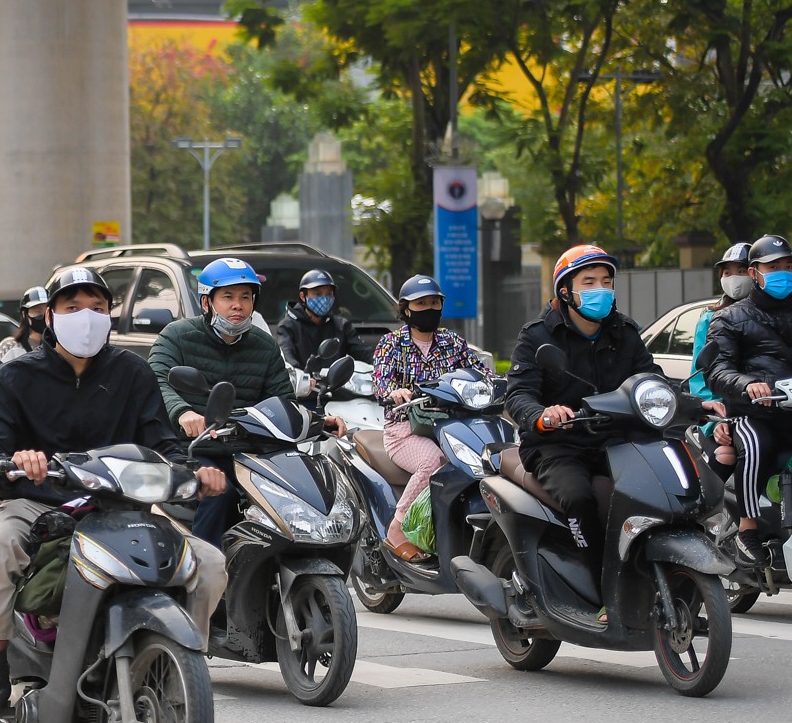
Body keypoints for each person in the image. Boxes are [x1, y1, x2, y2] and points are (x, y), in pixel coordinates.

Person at [0, 266, 228, 713]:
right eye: (72, 307)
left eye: (97, 307)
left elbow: (161, 441)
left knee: (209, 562)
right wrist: (14, 464)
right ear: (49, 317)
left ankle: (179, 664)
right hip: (36, 501)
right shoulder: (15, 378)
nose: (85, 316)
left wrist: (194, 472)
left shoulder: (133, 373)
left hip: (120, 505)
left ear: (110, 316)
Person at [503, 244, 663, 588]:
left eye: (606, 281)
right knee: (579, 498)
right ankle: (599, 586)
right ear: (566, 291)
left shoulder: (626, 333)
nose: (600, 290)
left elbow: (651, 380)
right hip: (556, 445)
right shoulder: (537, 336)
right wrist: (543, 415)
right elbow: (518, 393)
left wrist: (686, 401)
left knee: (658, 488)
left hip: (616, 440)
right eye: (589, 282)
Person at [150, 258, 301, 544]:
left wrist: (313, 417)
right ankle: (207, 573)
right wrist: (182, 413)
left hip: (248, 450)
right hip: (191, 448)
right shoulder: (177, 337)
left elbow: (282, 398)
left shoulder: (264, 344)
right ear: (206, 302)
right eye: (228, 297)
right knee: (221, 492)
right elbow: (155, 381)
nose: (238, 305)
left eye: (246, 297)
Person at [370, 275, 495, 561]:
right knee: (433, 463)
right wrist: (395, 392)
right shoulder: (391, 344)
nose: (429, 308)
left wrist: (498, 382)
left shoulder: (452, 341)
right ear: (405, 309)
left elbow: (480, 372)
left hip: (453, 426)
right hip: (405, 429)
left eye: (435, 302)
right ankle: (397, 529)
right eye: (421, 303)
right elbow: (381, 383)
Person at [707, 234, 792, 568]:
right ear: (755, 272)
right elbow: (717, 370)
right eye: (774, 267)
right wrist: (749, 386)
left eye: (788, 266)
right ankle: (748, 530)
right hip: (753, 415)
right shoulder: (729, 318)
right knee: (755, 443)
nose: (782, 272)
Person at [690, 241, 752, 472]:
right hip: (726, 415)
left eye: (742, 271)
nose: (735, 278)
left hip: (766, 412)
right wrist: (714, 422)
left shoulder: (774, 315)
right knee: (724, 456)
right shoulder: (710, 319)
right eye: (728, 272)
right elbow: (700, 376)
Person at [276, 268, 372, 373]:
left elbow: (364, 353)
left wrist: (383, 363)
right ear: (303, 296)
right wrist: (302, 377)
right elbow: (287, 360)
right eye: (318, 294)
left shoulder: (341, 326)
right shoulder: (288, 327)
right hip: (303, 386)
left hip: (338, 386)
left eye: (329, 294)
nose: (324, 299)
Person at [0, 286, 49, 382]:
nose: (43, 316)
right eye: (37, 311)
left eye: (47, 311)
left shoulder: (60, 346)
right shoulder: (11, 346)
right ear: (25, 314)